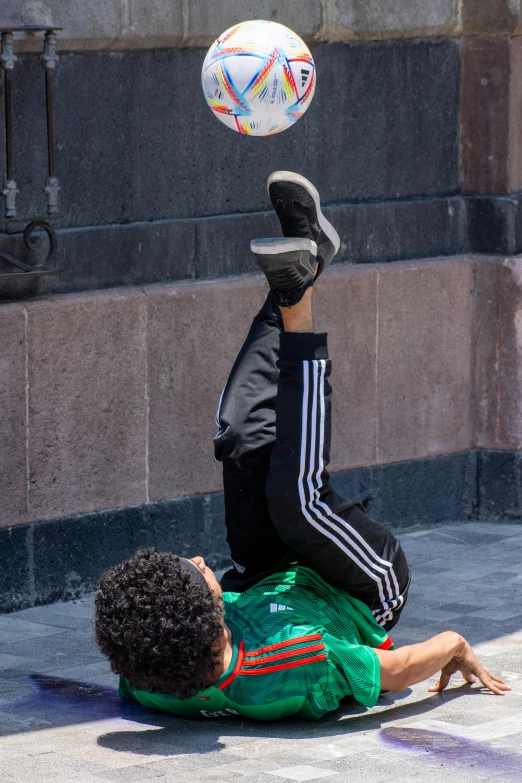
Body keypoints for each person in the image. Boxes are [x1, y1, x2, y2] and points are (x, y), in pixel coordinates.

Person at [94, 172, 510, 720]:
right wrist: (454, 644)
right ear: (208, 618)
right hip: (362, 588)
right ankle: (296, 292)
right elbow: (393, 672)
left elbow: (137, 652)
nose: (198, 560)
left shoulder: (152, 674)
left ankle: (303, 268)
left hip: (269, 576)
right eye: (196, 573)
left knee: (239, 440)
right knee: (297, 498)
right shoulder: (294, 664)